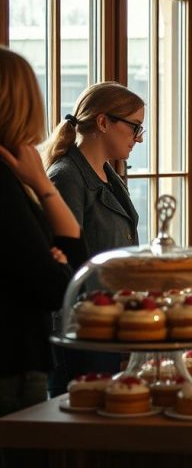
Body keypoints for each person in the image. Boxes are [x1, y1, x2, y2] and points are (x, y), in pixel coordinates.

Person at [42, 82, 144, 393]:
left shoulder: (109, 174)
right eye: (135, 127)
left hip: (109, 322)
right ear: (103, 122)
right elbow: (65, 264)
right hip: (81, 328)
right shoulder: (65, 176)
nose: (139, 138)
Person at [0, 47, 85, 416]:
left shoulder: (16, 175)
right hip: (10, 361)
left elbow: (71, 254)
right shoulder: (4, 181)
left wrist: (38, 182)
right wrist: (56, 263)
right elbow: (55, 285)